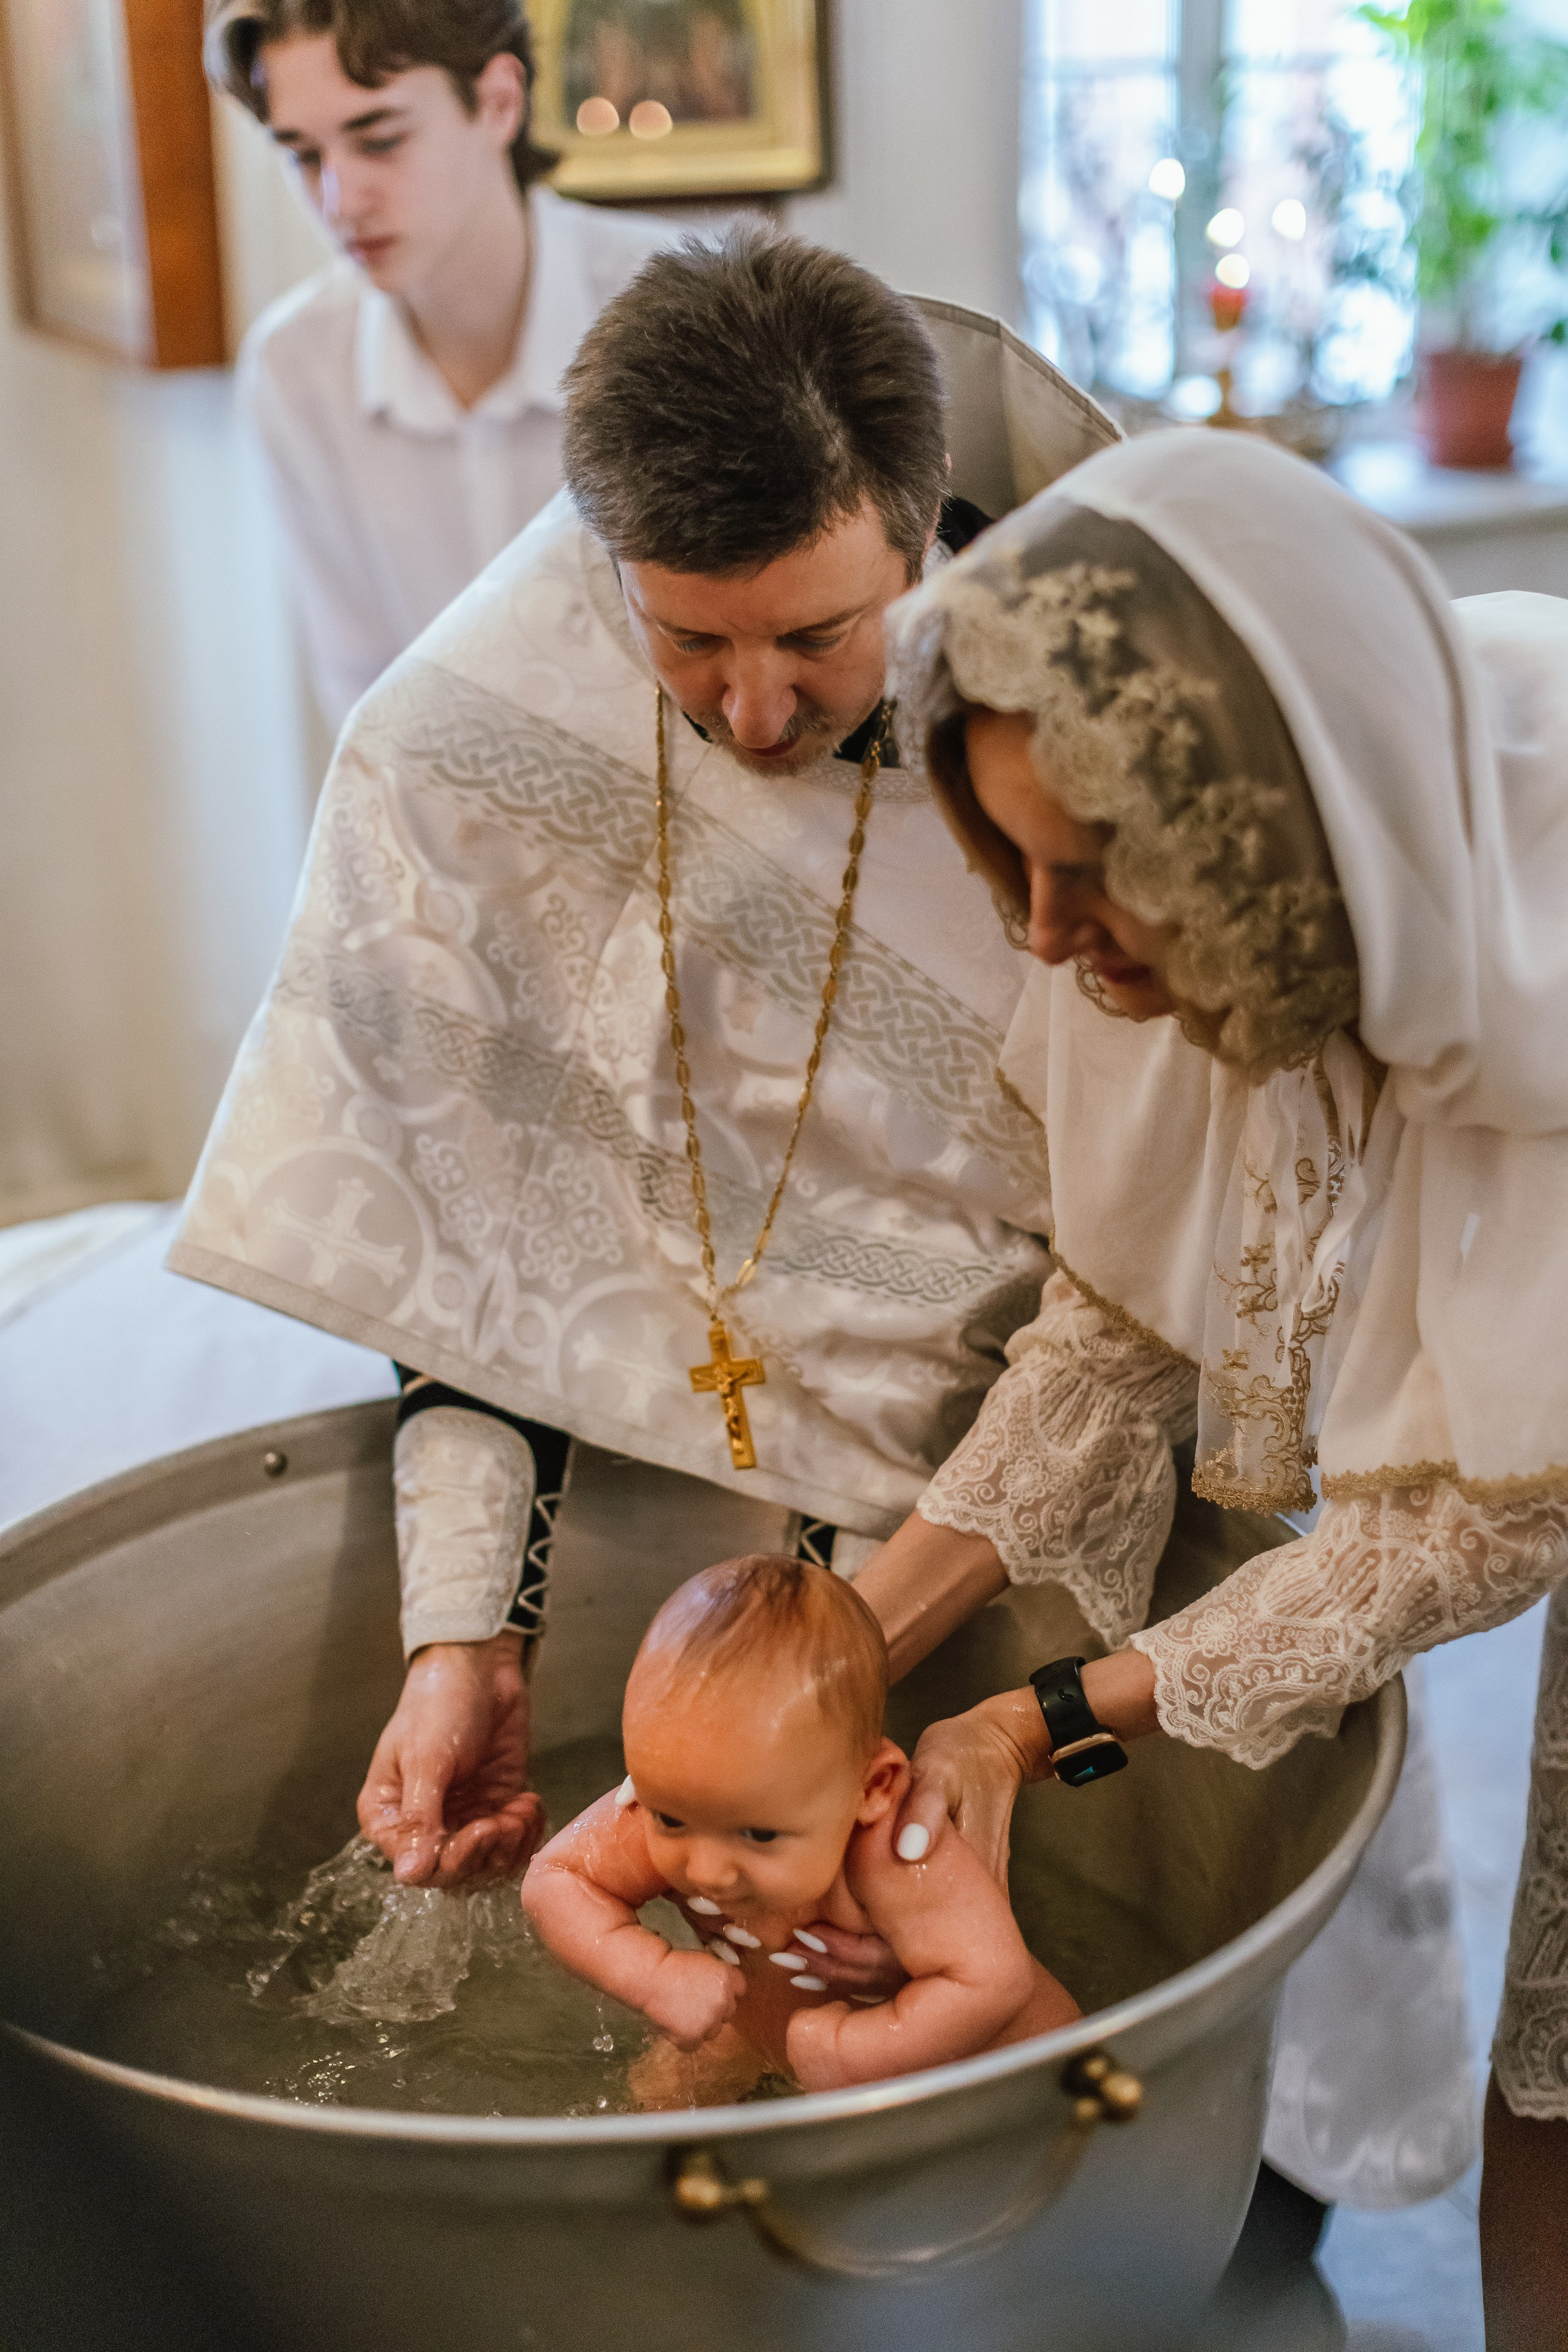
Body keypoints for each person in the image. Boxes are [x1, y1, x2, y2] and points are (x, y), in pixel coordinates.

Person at [168, 226, 1112, 1897]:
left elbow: (1158, 1283)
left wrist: (836, 1665)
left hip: (1002, 1495)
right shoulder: (466, 739)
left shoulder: (1087, 749)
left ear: (926, 512)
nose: (755, 715)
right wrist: (463, 1632)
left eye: (821, 638)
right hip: (625, 1479)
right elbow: (468, 1226)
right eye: (690, 643)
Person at [858, 426, 1568, 2342]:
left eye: (1086, 876)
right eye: (1000, 849)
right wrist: (844, 1643)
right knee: (1553, 2063)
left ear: (1260, 839)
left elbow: (1463, 1527)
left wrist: (1030, 1721)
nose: (1033, 928)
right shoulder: (1194, 884)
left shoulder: (1528, 920)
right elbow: (1112, 1331)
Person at [205, 0, 679, 729]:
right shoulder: (295, 370)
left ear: (498, 102)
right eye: (304, 155)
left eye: (381, 140)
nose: (339, 200)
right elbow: (364, 694)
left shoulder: (683, 310)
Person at [522, 1553, 1079, 2099]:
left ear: (872, 1790)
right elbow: (558, 1879)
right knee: (651, 2111)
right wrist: (653, 1975)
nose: (707, 1871)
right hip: (775, 2030)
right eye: (672, 1819)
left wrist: (855, 2053)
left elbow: (993, 1983)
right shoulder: (678, 1796)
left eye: (759, 1835)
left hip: (1005, 2075)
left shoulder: (893, 1851)